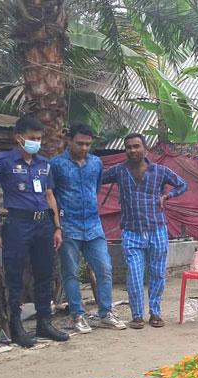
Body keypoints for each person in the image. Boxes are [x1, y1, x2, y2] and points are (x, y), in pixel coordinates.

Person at [0, 116, 70, 347]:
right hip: (18, 223)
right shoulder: (2, 161)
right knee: (14, 276)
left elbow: (50, 196)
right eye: (32, 139)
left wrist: (57, 228)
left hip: (44, 225)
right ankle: (16, 327)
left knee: (45, 274)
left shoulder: (44, 164)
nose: (36, 143)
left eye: (39, 139)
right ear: (18, 137)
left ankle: (44, 322)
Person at [101, 133, 187, 329]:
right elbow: (96, 178)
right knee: (134, 274)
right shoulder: (119, 171)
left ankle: (155, 313)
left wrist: (167, 195)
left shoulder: (159, 171)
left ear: (145, 149)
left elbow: (183, 184)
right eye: (128, 147)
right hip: (131, 231)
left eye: (136, 146)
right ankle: (137, 315)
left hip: (157, 229)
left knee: (157, 273)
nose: (132, 150)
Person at [50, 124, 127, 333]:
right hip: (69, 226)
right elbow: (51, 197)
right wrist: (57, 226)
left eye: (88, 144)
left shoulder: (96, 163)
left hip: (94, 226)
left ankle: (105, 313)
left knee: (104, 269)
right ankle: (78, 315)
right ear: (69, 141)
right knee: (71, 273)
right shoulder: (56, 165)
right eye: (80, 143)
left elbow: (95, 188)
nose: (84, 148)